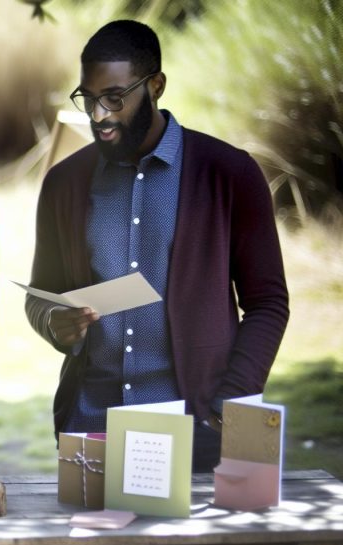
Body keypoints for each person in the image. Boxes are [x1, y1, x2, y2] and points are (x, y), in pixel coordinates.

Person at [26, 20, 289, 472]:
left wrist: (231, 401)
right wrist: (55, 322)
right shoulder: (62, 183)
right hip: (90, 429)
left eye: (114, 98)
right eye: (88, 98)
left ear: (156, 86)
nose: (98, 115)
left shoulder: (231, 174)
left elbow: (268, 303)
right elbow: (40, 297)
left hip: (201, 429)